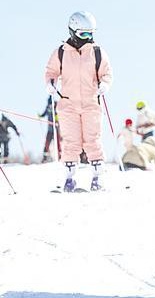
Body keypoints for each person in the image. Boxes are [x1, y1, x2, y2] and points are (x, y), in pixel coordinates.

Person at [45, 11, 113, 191]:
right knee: (71, 141)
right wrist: (51, 84)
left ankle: (97, 178)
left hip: (91, 103)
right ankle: (69, 179)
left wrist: (105, 84)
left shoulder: (97, 52)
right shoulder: (61, 53)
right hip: (68, 105)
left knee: (93, 140)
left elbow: (106, 73)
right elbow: (51, 72)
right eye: (84, 34)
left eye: (91, 33)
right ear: (72, 31)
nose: (88, 37)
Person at [38, 96, 60, 163]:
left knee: (57, 143)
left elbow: (59, 114)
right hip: (50, 129)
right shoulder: (48, 107)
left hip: (56, 128)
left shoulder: (56, 105)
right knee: (47, 142)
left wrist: (56, 119)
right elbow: (44, 114)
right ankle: (45, 157)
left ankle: (60, 156)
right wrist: (40, 116)